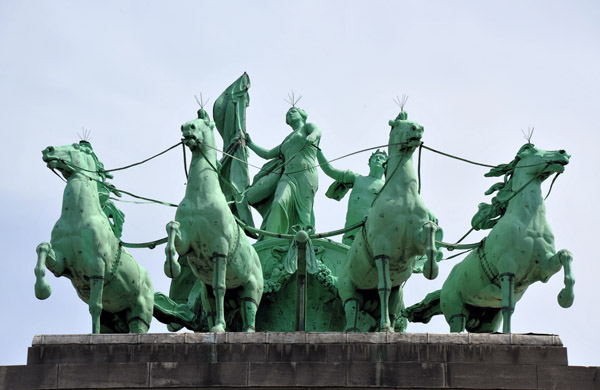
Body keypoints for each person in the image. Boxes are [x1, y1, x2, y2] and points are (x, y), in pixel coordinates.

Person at [246, 107, 322, 237]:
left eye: (293, 111)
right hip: (287, 176)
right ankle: (271, 239)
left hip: (306, 174)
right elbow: (267, 154)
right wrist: (250, 143)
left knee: (304, 212)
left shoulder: (307, 128)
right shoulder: (286, 140)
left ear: (302, 115)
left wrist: (312, 136)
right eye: (288, 113)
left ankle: (303, 241)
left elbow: (317, 131)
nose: (290, 114)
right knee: (278, 202)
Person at [317, 149, 387, 245]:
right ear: (369, 164)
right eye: (375, 157)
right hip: (351, 234)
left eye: (382, 158)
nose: (378, 158)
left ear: (386, 165)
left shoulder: (388, 187)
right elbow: (330, 170)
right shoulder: (357, 178)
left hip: (373, 235)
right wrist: (317, 149)